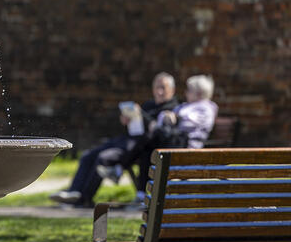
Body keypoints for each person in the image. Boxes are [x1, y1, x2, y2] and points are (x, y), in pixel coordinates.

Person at [50, 72, 178, 207]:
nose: (159, 91)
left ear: (172, 90)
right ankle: (74, 192)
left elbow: (159, 131)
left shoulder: (173, 108)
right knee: (87, 156)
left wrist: (142, 115)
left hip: (139, 148)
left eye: (163, 88)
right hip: (126, 141)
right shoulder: (149, 105)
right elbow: (137, 127)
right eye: (157, 87)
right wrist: (128, 120)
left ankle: (84, 199)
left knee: (103, 157)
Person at [126, 74, 218, 198]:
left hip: (186, 146)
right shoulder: (187, 105)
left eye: (189, 90)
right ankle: (141, 192)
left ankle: (123, 164)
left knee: (149, 142)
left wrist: (176, 118)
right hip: (174, 141)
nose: (186, 92)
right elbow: (165, 116)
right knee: (148, 147)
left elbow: (189, 122)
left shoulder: (206, 108)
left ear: (199, 93)